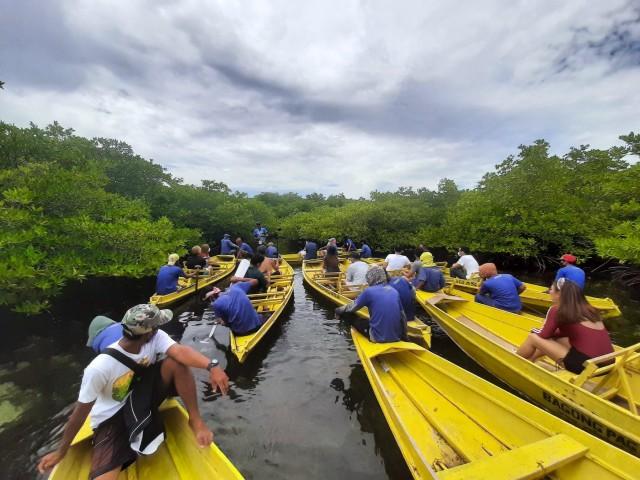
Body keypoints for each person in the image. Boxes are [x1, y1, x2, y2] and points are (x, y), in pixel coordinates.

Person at [37, 304, 229, 479]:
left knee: (176, 362)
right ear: (148, 332)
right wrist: (61, 451)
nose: (159, 330)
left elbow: (181, 353)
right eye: (157, 326)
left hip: (141, 397)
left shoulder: (155, 337)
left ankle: (195, 420)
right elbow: (79, 414)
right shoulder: (98, 368)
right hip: (111, 419)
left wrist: (212, 366)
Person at [516, 278, 613, 373]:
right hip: (607, 364)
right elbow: (564, 332)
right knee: (558, 338)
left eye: (551, 289)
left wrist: (534, 330)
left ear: (559, 294)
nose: (549, 292)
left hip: (585, 366)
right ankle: (531, 360)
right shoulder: (591, 310)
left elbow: (544, 335)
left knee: (533, 337)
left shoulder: (557, 309)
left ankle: (514, 360)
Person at [334, 266, 407, 343]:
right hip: (396, 337)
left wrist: (338, 310)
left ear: (371, 278)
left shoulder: (368, 291)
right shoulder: (393, 291)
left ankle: (343, 333)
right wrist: (405, 337)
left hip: (377, 337)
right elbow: (403, 317)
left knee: (348, 315)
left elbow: (352, 307)